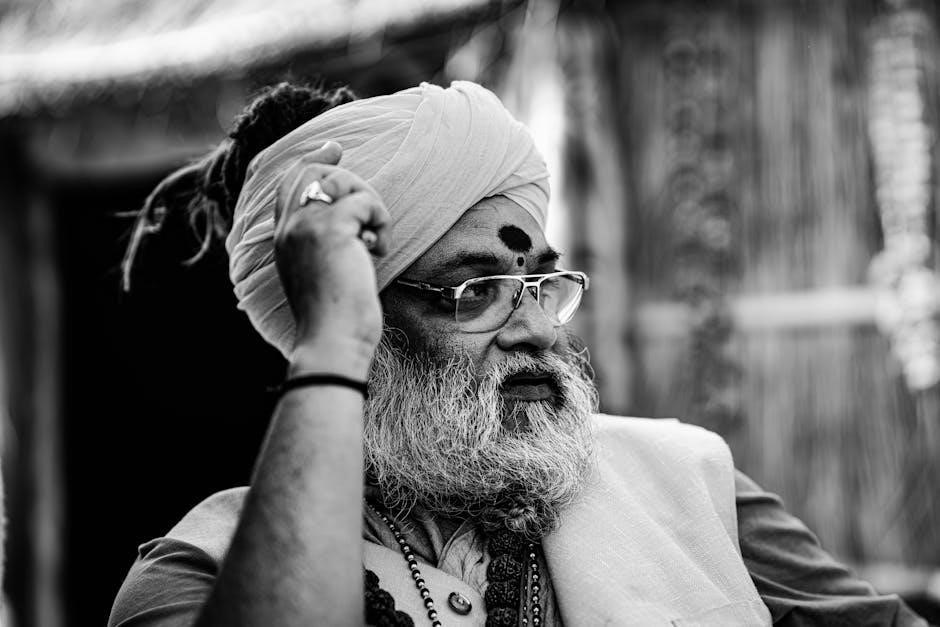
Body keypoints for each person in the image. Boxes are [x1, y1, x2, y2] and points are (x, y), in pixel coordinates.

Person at [109, 81, 928, 626]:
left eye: (541, 283)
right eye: (474, 291)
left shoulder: (688, 480)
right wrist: (331, 346)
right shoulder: (197, 569)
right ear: (360, 321)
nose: (538, 328)